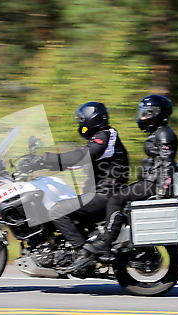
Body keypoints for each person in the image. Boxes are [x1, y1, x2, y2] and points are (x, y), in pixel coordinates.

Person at [67, 95, 178, 272]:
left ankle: (106, 242)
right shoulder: (158, 132)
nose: (142, 116)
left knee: (117, 196)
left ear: (157, 113)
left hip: (153, 183)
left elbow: (167, 162)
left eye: (147, 113)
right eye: (142, 112)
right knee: (119, 195)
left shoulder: (164, 133)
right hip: (150, 181)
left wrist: (163, 188)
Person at [20, 101, 129, 265]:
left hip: (107, 195)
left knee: (57, 210)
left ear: (92, 119)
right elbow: (70, 163)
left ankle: (82, 253)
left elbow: (81, 156)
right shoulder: (99, 138)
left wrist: (45, 159)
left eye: (81, 120)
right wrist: (39, 164)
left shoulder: (106, 136)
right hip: (99, 193)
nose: (80, 124)